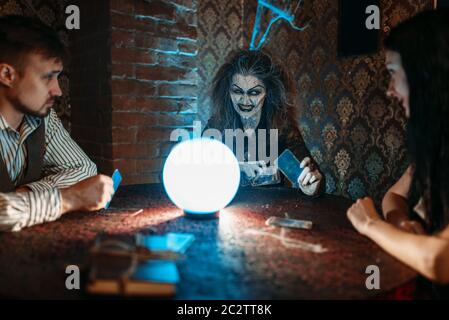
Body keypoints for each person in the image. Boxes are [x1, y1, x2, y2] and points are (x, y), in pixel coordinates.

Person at [347, 9, 449, 291]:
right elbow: (394, 195)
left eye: (393, 73)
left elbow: (440, 260)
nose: (390, 90)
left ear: (424, 73)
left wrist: (371, 224)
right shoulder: (437, 139)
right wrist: (402, 223)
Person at [0, 15, 113, 232]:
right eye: (47, 77)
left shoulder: (43, 118)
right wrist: (67, 199)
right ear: (7, 74)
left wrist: (22, 196)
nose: (58, 91)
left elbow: (84, 169)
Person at [204, 50, 324, 196]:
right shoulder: (217, 125)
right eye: (237, 91)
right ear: (228, 92)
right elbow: (199, 173)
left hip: (270, 211)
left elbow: (312, 177)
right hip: (228, 209)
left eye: (254, 93)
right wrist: (234, 167)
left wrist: (313, 187)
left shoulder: (282, 127)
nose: (245, 101)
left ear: (268, 92)